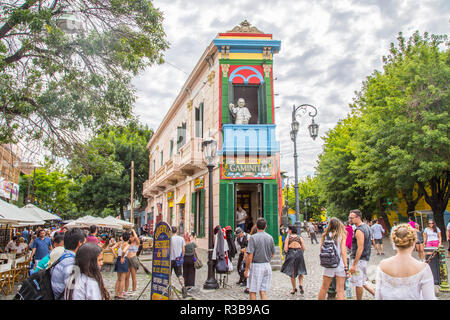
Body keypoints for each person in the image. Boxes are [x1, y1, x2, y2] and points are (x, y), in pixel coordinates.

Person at [375, 224, 436, 300]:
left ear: (394, 243)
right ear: (414, 242)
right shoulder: (423, 268)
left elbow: (378, 296)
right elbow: (429, 297)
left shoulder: (382, 265)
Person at [244, 218, 275, 300]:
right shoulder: (270, 237)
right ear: (266, 226)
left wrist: (247, 269)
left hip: (256, 266)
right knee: (263, 291)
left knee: (253, 291)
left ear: (256, 226)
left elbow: (250, 255)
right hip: (267, 265)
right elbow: (272, 254)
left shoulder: (253, 238)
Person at [318, 217, 349, 300]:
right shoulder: (342, 235)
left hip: (328, 263)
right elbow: (343, 252)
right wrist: (346, 267)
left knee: (324, 287)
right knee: (340, 290)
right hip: (339, 264)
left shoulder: (325, 235)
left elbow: (321, 250)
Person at [51, 228, 86, 299]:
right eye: (84, 243)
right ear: (79, 243)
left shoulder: (63, 256)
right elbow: (73, 294)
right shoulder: (71, 263)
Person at [348, 209, 374, 300]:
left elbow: (360, 247)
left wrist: (354, 264)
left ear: (358, 218)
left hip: (359, 260)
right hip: (364, 259)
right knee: (362, 281)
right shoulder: (367, 227)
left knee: (358, 283)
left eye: (351, 218)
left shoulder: (359, 230)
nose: (350, 220)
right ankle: (379, 295)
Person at [281, 225, 307, 295]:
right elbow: (304, 248)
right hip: (299, 253)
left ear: (291, 230)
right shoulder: (299, 237)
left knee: (292, 271)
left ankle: (294, 288)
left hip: (291, 254)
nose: (288, 231)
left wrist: (286, 251)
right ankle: (301, 284)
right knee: (301, 270)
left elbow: (285, 249)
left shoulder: (288, 238)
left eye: (288, 230)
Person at [112, 231, 130, 299]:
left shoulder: (119, 243)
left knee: (118, 279)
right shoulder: (127, 244)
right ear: (128, 238)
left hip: (118, 259)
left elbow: (112, 248)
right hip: (123, 260)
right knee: (122, 279)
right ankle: (120, 294)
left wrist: (116, 256)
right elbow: (124, 251)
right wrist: (122, 257)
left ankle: (116, 293)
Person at [170, 226, 187, 298]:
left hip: (170, 259)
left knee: (169, 275)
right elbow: (183, 250)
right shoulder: (181, 238)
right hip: (178, 259)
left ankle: (170, 291)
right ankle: (183, 287)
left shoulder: (169, 239)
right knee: (180, 274)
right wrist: (181, 257)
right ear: (176, 231)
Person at [124, 228, 140, 296]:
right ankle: (126, 290)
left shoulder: (137, 243)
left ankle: (133, 290)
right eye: (130, 237)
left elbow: (136, 237)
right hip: (127, 260)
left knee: (133, 276)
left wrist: (133, 230)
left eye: (132, 237)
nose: (130, 238)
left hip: (133, 259)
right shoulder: (128, 243)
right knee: (127, 276)